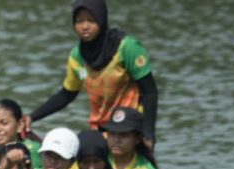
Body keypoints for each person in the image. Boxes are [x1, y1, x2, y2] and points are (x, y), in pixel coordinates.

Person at [26, 0, 159, 151]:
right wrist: (32, 117)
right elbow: (67, 94)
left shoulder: (126, 47)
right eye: (79, 21)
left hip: (130, 126)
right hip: (101, 128)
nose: (85, 26)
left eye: (91, 20)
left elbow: (150, 92)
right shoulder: (77, 56)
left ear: (102, 20)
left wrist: (148, 135)